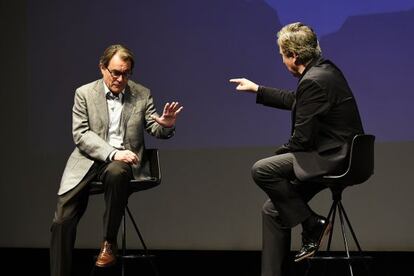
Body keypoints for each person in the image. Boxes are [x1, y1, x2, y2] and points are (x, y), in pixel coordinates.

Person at [230, 22, 364, 276]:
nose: (282, 61)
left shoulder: (313, 80)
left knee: (262, 169)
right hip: (340, 154)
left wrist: (278, 159)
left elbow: (300, 141)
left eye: (282, 55)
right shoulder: (325, 70)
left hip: (334, 158)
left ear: (293, 55)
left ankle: (313, 224)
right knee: (272, 210)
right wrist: (258, 89)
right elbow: (298, 101)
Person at [50, 44, 183, 276]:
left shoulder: (142, 93)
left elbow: (154, 127)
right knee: (62, 221)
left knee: (117, 172)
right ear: (103, 68)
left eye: (126, 73)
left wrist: (167, 126)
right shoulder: (84, 93)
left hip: (122, 162)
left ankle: (108, 244)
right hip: (87, 161)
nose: (121, 79)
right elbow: (81, 135)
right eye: (116, 72)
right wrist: (112, 153)